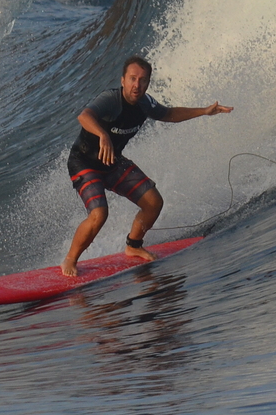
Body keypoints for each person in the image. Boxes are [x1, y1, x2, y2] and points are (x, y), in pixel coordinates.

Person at [62, 56, 232, 276]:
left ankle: (133, 245)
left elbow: (169, 114)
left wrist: (204, 111)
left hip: (111, 161)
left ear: (148, 83)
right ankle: (70, 259)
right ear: (123, 80)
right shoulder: (111, 100)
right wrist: (102, 134)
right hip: (84, 162)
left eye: (142, 80)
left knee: (153, 202)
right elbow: (84, 116)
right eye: (132, 79)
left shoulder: (145, 104)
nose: (137, 85)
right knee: (99, 214)